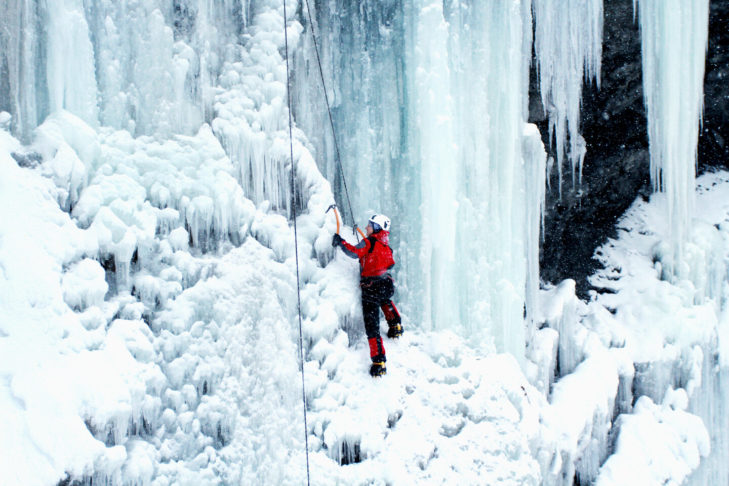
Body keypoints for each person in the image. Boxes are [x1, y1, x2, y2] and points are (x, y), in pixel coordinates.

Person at [332, 214, 403, 377]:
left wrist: (340, 242)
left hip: (371, 287)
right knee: (385, 300)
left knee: (372, 327)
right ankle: (395, 325)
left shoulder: (370, 242)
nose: (366, 227)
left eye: (370, 225)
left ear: (377, 227)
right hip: (385, 283)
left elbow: (354, 252)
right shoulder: (386, 245)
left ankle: (379, 362)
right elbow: (390, 262)